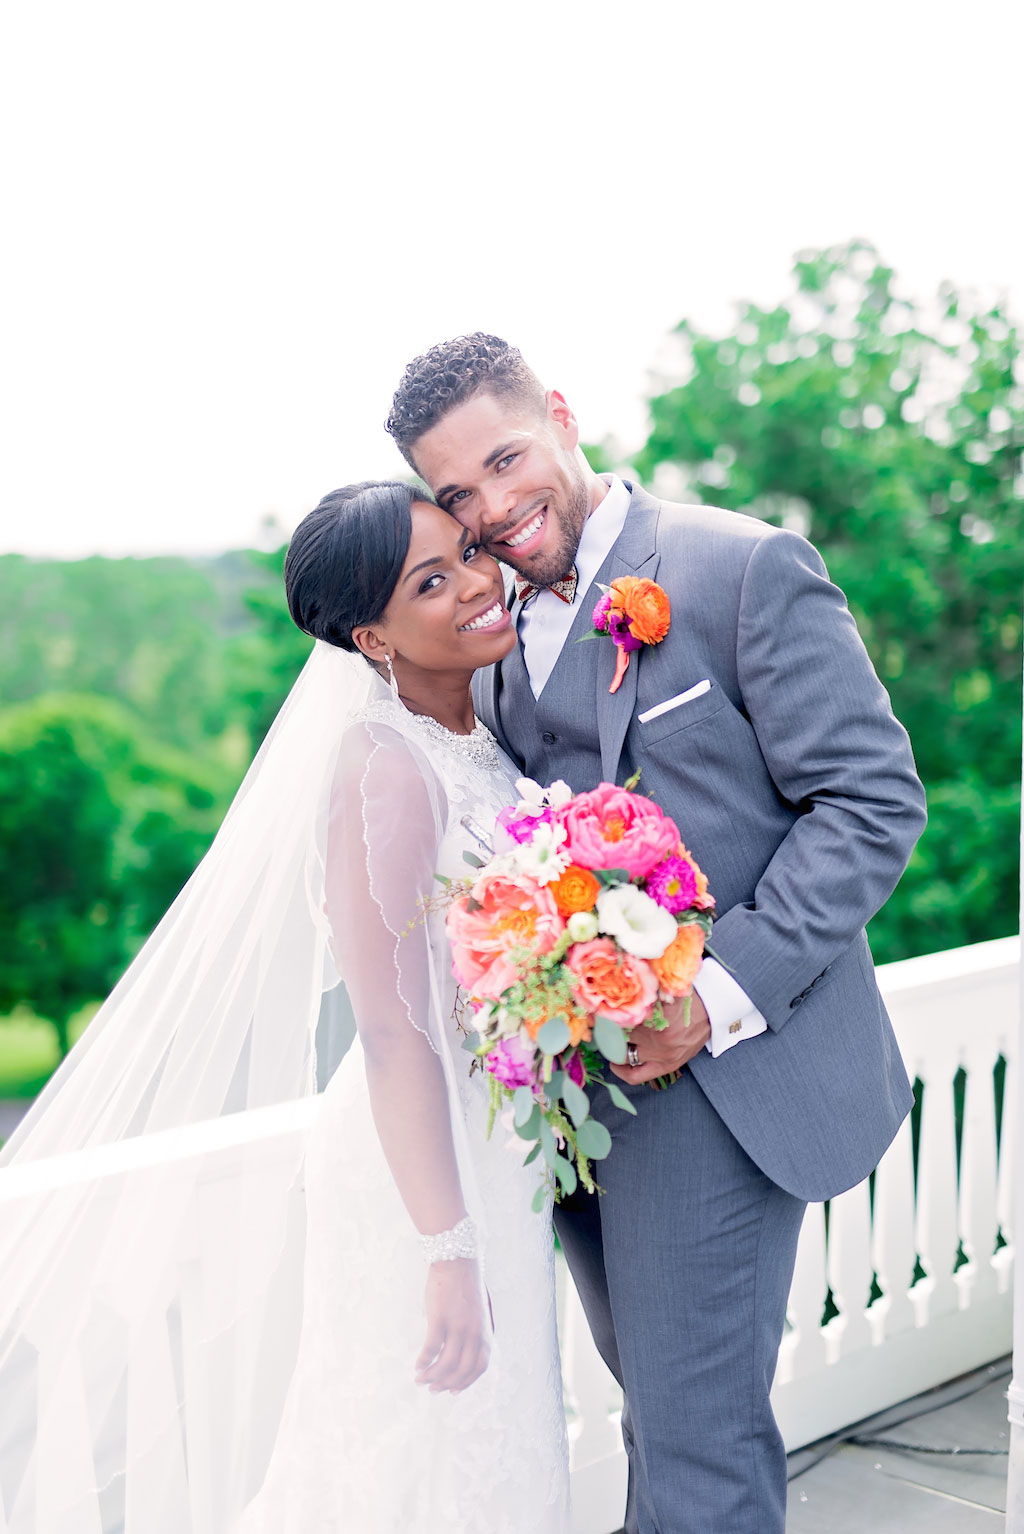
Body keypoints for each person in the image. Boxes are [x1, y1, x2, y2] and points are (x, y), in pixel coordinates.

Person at [385, 334, 929, 1534]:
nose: (493, 510)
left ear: (564, 416)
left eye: (508, 460)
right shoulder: (489, 634)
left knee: (695, 1445)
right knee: (667, 1418)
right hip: (583, 1118)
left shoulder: (738, 567)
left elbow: (872, 799)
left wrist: (717, 990)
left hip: (728, 1078)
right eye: (458, 495)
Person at [0, 481, 570, 1534]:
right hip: (419, 1168)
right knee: (409, 1453)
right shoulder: (385, 769)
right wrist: (444, 1250)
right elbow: (395, 1034)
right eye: (431, 580)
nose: (480, 583)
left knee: (496, 1442)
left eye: (467, 553)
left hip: (499, 1141)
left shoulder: (479, 734)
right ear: (371, 634)